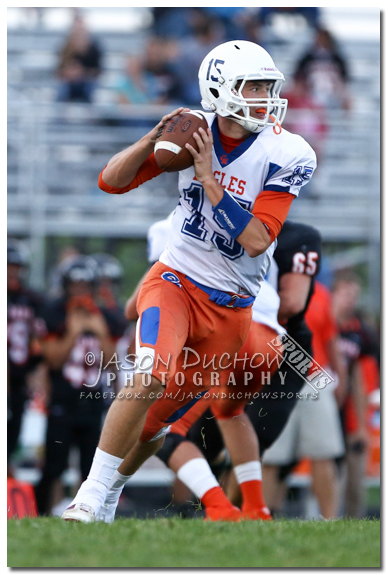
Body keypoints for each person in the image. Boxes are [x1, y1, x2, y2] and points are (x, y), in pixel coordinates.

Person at [61, 39, 316, 523]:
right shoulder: (194, 134)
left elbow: (258, 239)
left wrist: (212, 185)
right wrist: (152, 137)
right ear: (219, 91)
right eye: (253, 86)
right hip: (176, 279)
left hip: (233, 307)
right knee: (150, 374)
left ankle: (110, 494)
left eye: (267, 86)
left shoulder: (287, 152)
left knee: (157, 425)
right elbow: (110, 181)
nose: (265, 96)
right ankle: (89, 496)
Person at [34, 255, 124, 515]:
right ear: (65, 286)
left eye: (85, 286)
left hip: (93, 400)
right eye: (75, 286)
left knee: (90, 465)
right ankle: (42, 513)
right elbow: (53, 360)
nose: (80, 292)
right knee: (53, 465)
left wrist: (100, 332)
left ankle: (86, 512)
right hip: (63, 399)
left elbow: (112, 362)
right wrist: (73, 332)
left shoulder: (106, 316)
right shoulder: (54, 313)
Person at [262, 280, 346, 519]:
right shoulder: (265, 285)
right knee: (271, 456)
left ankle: (330, 520)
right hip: (275, 380)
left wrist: (339, 378)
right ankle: (264, 518)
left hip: (315, 378)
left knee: (324, 452)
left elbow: (330, 338)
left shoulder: (320, 292)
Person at [331, 271, 376, 518]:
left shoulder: (363, 333)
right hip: (322, 406)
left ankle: (352, 521)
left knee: (354, 482)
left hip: (350, 414)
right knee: (328, 474)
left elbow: (363, 381)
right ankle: (323, 519)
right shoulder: (320, 325)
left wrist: (361, 424)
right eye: (346, 293)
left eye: (355, 295)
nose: (351, 300)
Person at [7, 240, 46, 472]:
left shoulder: (33, 300)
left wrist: (37, 370)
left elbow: (40, 340)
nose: (12, 271)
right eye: (8, 266)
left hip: (20, 376)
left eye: (16, 266)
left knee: (14, 428)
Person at [56, 14, 102, 103]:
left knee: (90, 91)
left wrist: (82, 72)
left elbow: (98, 71)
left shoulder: (94, 47)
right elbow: (59, 70)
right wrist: (69, 72)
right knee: (61, 91)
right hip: (68, 82)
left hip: (87, 81)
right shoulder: (65, 46)